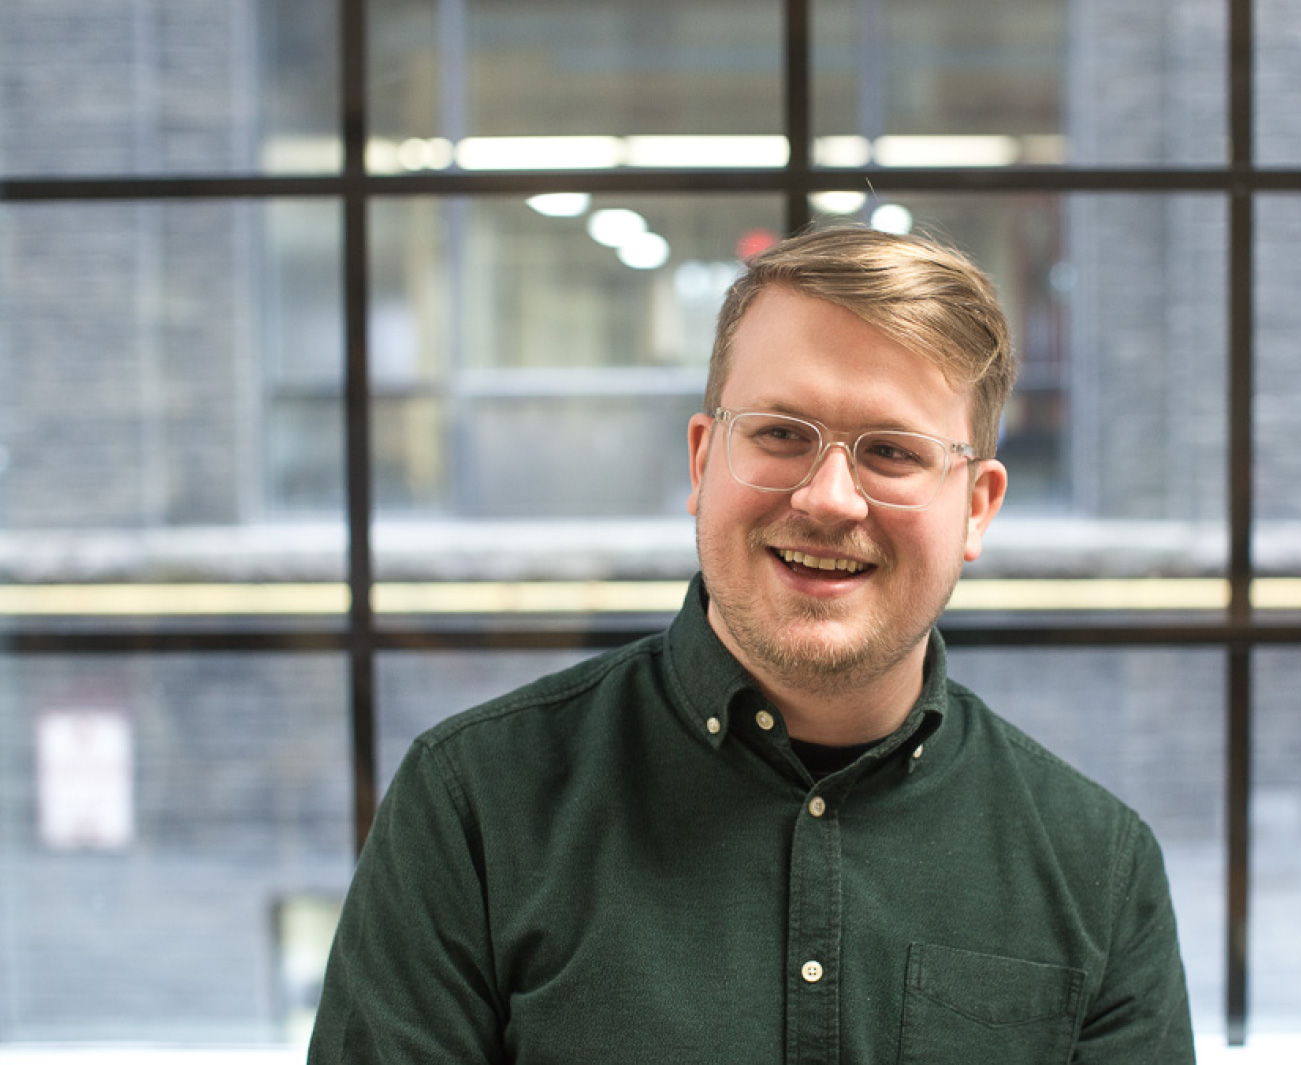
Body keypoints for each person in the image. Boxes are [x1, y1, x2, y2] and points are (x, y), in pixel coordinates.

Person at [308, 226, 1195, 1063]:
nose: (829, 498)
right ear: (702, 462)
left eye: (891, 451)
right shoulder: (475, 808)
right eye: (780, 433)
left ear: (976, 507)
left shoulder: (1100, 872)